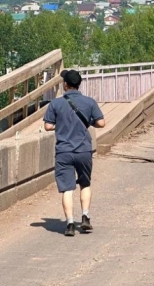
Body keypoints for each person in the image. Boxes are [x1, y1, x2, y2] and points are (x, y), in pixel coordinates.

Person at [43, 70, 106, 237]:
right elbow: (101, 123)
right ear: (79, 84)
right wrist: (88, 122)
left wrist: (60, 125)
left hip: (64, 151)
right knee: (85, 184)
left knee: (67, 189)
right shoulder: (89, 102)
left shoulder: (55, 104)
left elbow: (48, 126)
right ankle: (85, 217)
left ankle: (70, 224)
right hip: (83, 150)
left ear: (65, 84)